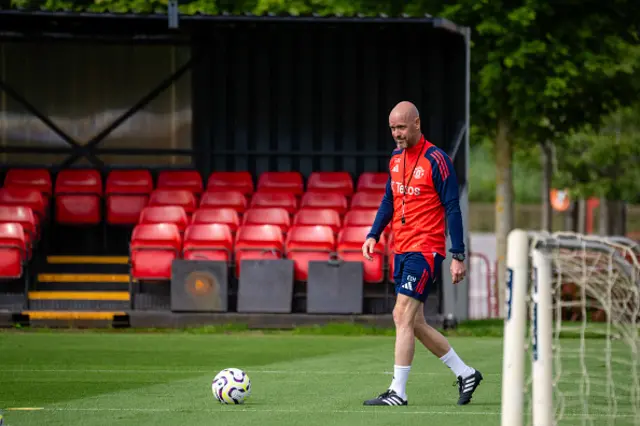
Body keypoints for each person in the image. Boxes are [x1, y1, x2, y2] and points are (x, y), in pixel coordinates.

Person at [361, 101, 482, 407]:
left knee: (401, 315)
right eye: (392, 129)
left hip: (425, 249)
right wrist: (374, 234)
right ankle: (465, 373)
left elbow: (453, 208)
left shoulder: (437, 159)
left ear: (417, 123)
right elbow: (389, 199)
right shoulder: (395, 158)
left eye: (401, 127)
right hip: (401, 248)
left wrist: (458, 254)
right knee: (413, 322)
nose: (396, 134)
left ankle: (398, 392)